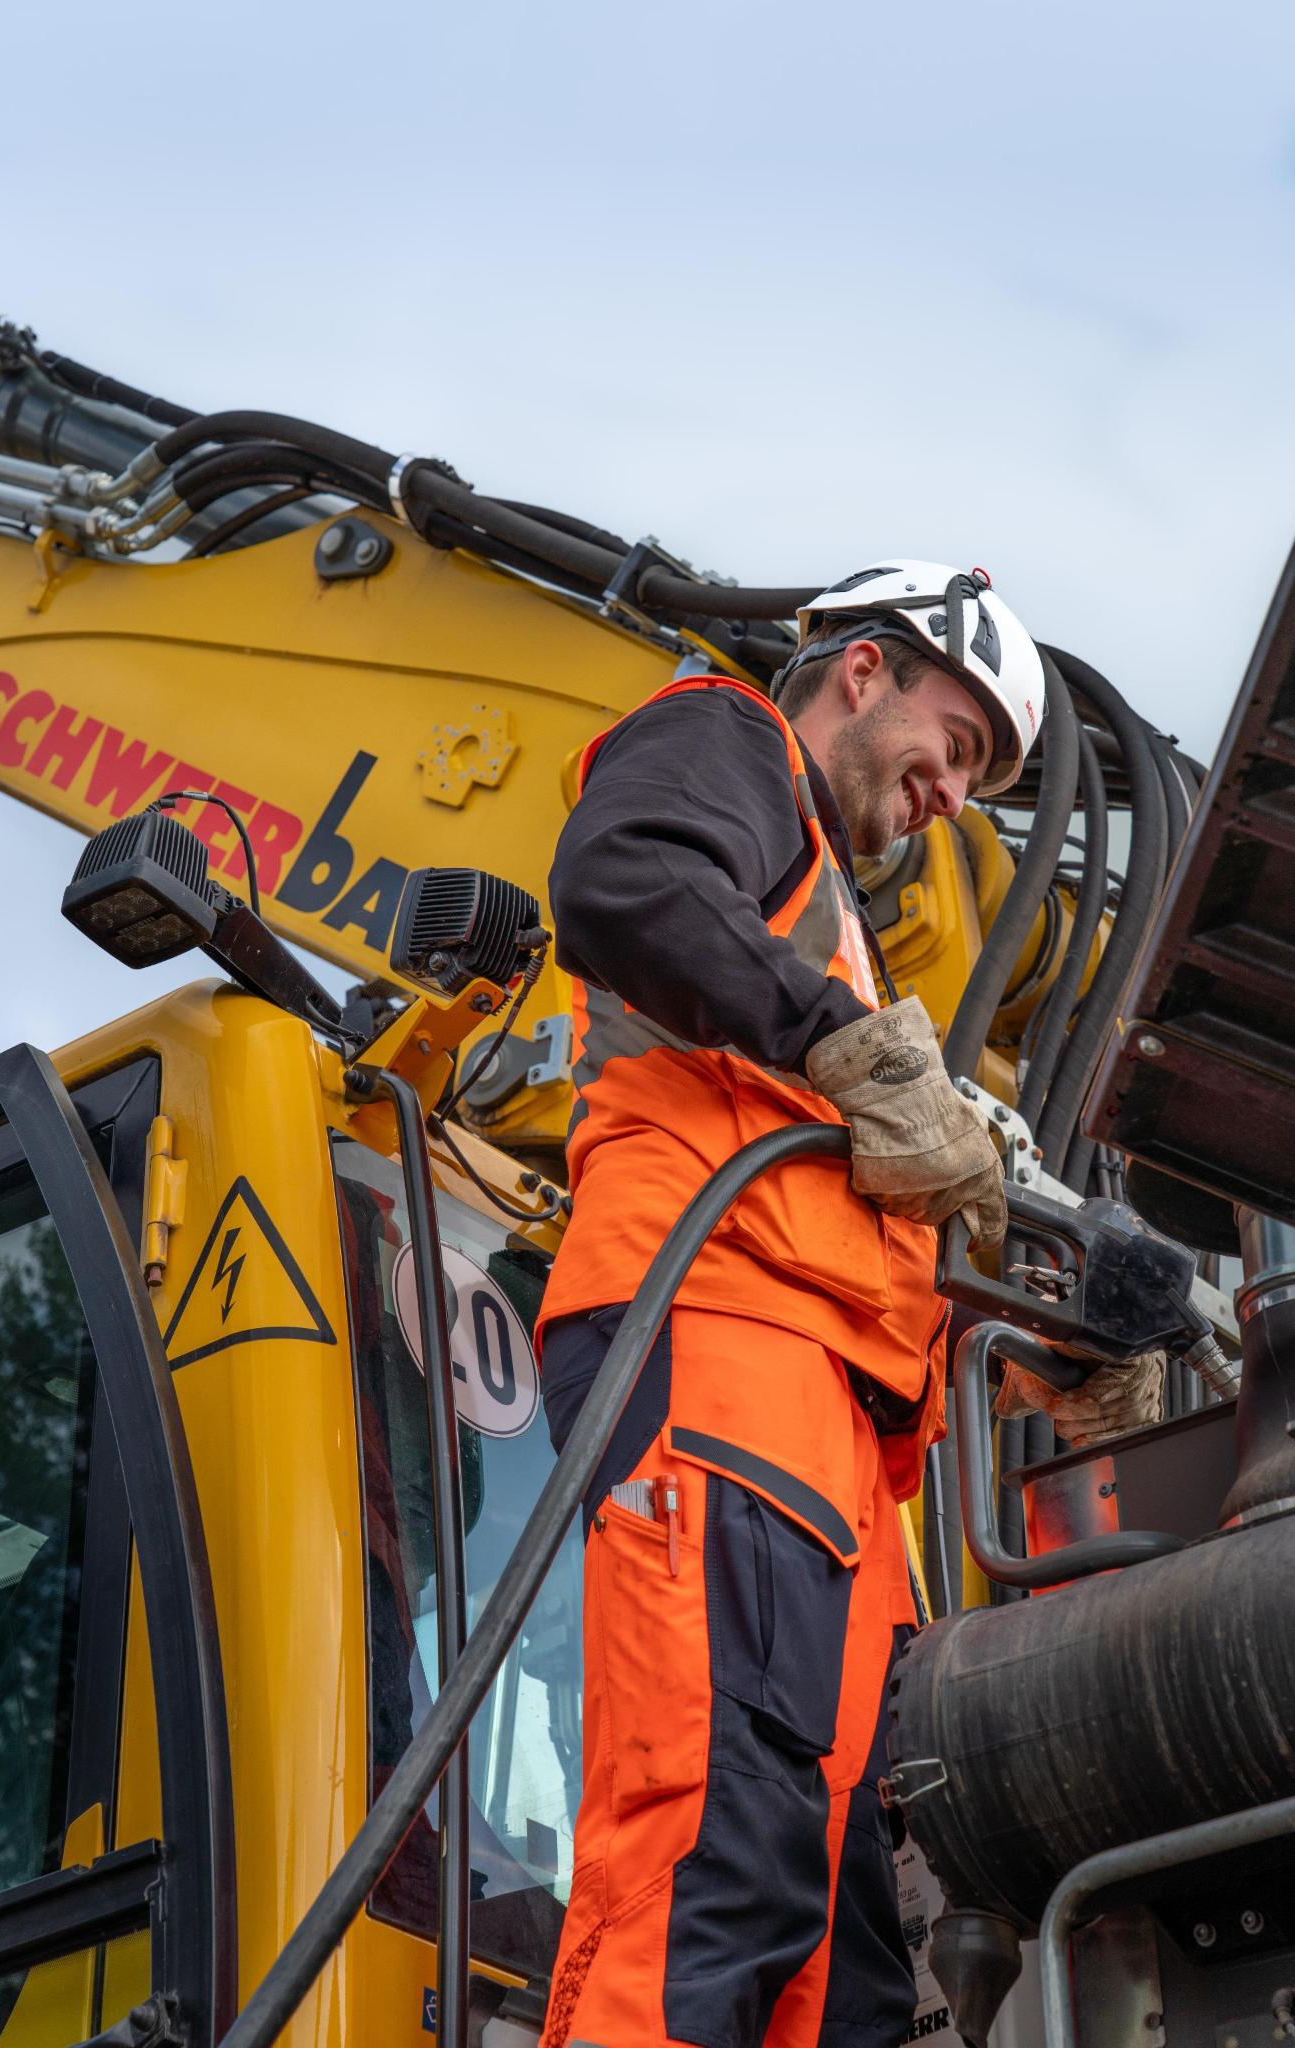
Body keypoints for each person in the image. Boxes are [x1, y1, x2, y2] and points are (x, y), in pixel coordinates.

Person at [534, 563, 1153, 2048]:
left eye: (982, 778)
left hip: (836, 1460)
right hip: (719, 1361)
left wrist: (1041, 1358)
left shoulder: (827, 941)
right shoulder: (724, 737)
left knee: (849, 1965)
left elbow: (858, 1238)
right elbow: (619, 879)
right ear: (864, 672)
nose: (953, 793)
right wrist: (842, 1039)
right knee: (713, 1860)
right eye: (955, 743)